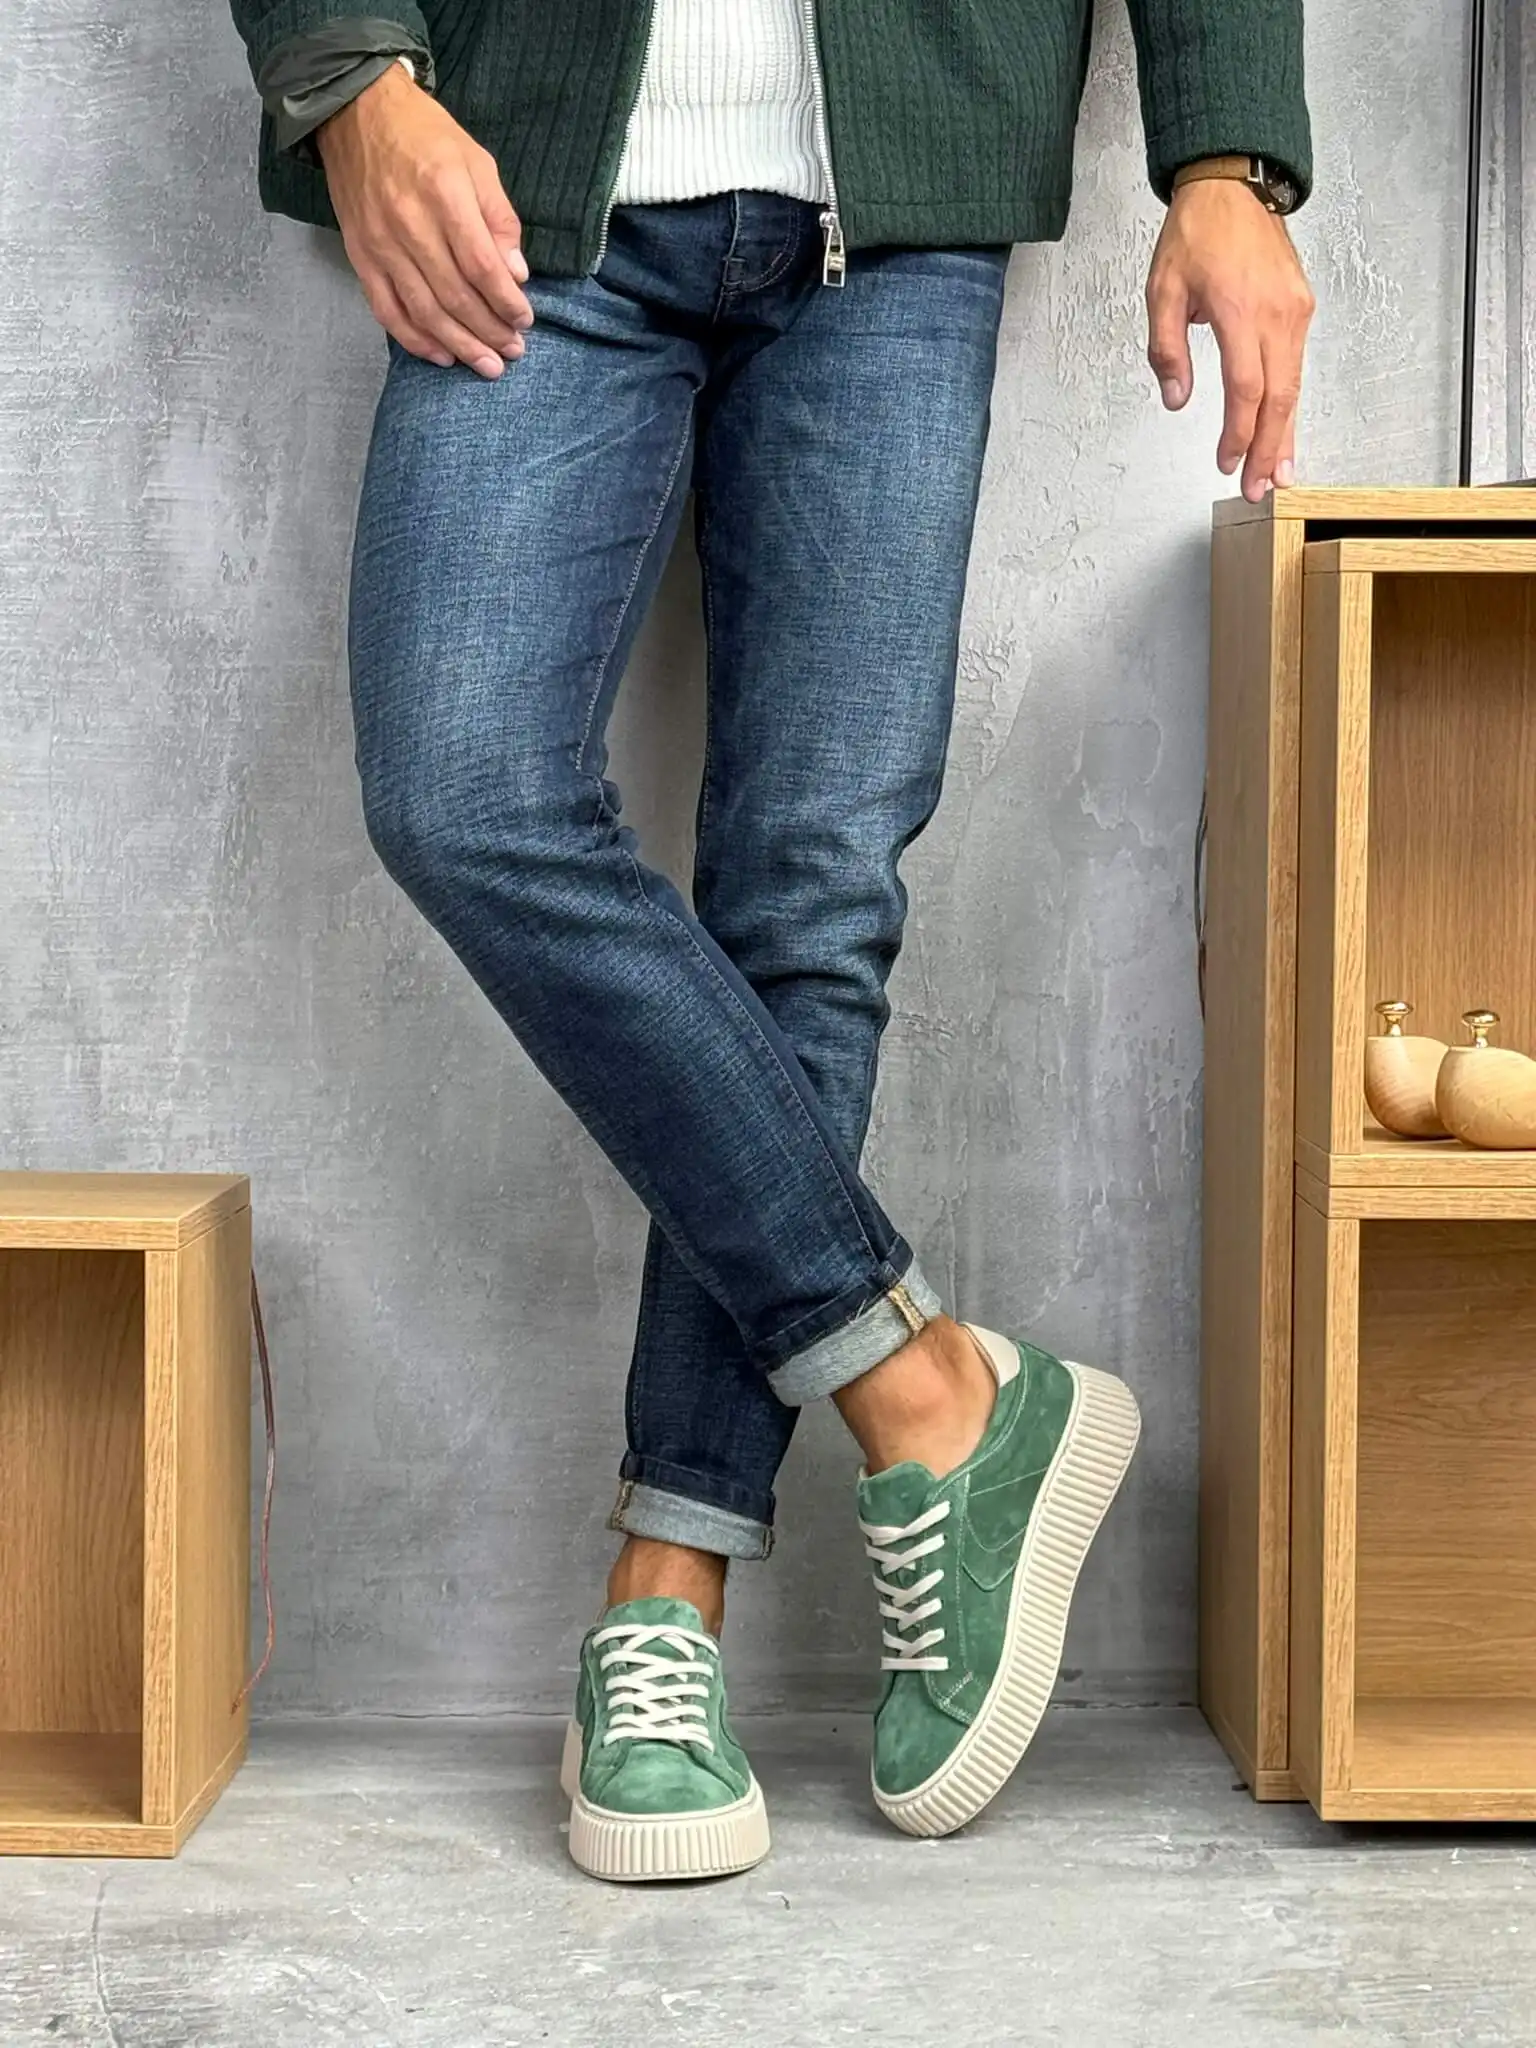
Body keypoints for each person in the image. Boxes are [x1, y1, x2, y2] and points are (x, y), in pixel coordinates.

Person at [230, 0, 1313, 1881]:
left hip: (903, 175)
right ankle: (930, 1388)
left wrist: (1228, 157)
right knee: (463, 794)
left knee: (811, 898)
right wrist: (348, 76)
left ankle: (669, 1593)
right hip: (520, 157)